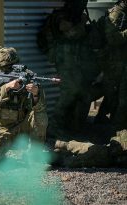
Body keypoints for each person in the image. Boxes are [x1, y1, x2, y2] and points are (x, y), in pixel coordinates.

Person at [37, 0, 102, 136]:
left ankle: (73, 126)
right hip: (63, 59)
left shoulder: (75, 16)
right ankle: (54, 126)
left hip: (73, 61)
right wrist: (82, 24)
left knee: (80, 92)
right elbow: (70, 34)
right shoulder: (61, 17)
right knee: (68, 93)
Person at [0, 46, 48, 169]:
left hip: (23, 125)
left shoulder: (27, 77)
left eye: (13, 66)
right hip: (3, 129)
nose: (11, 70)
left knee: (39, 114)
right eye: (6, 68)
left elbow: (40, 106)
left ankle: (34, 156)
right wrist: (7, 87)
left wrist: (36, 94)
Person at [94, 0, 127, 131]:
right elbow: (113, 39)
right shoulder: (116, 13)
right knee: (116, 96)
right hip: (113, 62)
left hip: (121, 61)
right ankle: (115, 129)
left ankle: (107, 123)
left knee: (116, 96)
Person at [51, 129, 127, 167]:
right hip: (110, 153)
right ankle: (58, 153)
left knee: (88, 149)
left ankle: (59, 149)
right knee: (88, 150)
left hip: (110, 152)